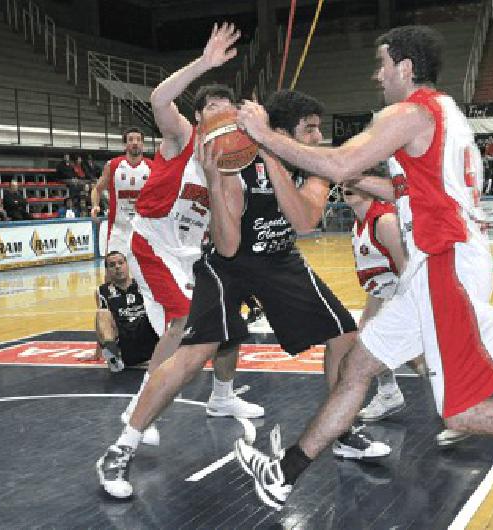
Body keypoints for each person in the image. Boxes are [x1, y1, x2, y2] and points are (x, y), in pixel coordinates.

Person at [234, 25, 493, 523]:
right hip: (437, 266)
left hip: (445, 266)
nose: (376, 74)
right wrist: (358, 178)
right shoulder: (445, 113)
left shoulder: (407, 112)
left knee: (460, 412)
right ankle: (284, 476)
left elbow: (340, 162)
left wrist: (265, 135)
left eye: (382, 64)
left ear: (405, 67)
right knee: (359, 367)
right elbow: (405, 188)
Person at [96, 49, 387, 498]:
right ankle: (120, 448)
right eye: (309, 127)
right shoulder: (233, 157)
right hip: (228, 265)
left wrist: (275, 156)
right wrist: (217, 180)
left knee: (345, 335)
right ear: (288, 129)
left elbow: (306, 220)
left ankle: (342, 432)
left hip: (278, 259)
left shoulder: (315, 164)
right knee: (192, 354)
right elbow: (228, 245)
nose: (319, 134)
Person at [95, 24, 265, 481]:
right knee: (182, 319)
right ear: (200, 115)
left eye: (225, 110)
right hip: (151, 241)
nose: (219, 115)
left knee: (229, 320)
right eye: (211, 107)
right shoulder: (182, 136)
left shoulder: (232, 161)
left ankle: (222, 395)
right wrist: (205, 64)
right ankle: (137, 407)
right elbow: (157, 100)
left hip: (191, 253)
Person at [345, 184, 469, 446]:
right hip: (384, 294)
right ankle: (389, 393)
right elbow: (379, 275)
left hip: (408, 294)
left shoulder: (385, 221)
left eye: (353, 183)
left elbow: (408, 270)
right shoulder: (359, 223)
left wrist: (408, 312)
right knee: (367, 339)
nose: (347, 188)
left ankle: (458, 413)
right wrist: (372, 312)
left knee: (420, 360)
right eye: (344, 184)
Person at [95, 251, 161, 372]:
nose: (117, 267)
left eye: (121, 263)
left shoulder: (143, 285)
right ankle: (113, 358)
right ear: (107, 270)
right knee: (101, 313)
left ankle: (167, 351)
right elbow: (101, 327)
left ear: (127, 264)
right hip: (124, 344)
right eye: (112, 265)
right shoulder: (102, 291)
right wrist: (97, 353)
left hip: (147, 336)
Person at [90, 128, 152, 256]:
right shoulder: (113, 165)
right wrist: (95, 205)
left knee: (142, 275)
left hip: (143, 231)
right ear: (125, 145)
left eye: (138, 140)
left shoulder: (152, 167)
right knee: (114, 272)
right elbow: (97, 189)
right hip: (118, 231)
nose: (135, 142)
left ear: (143, 144)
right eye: (131, 139)